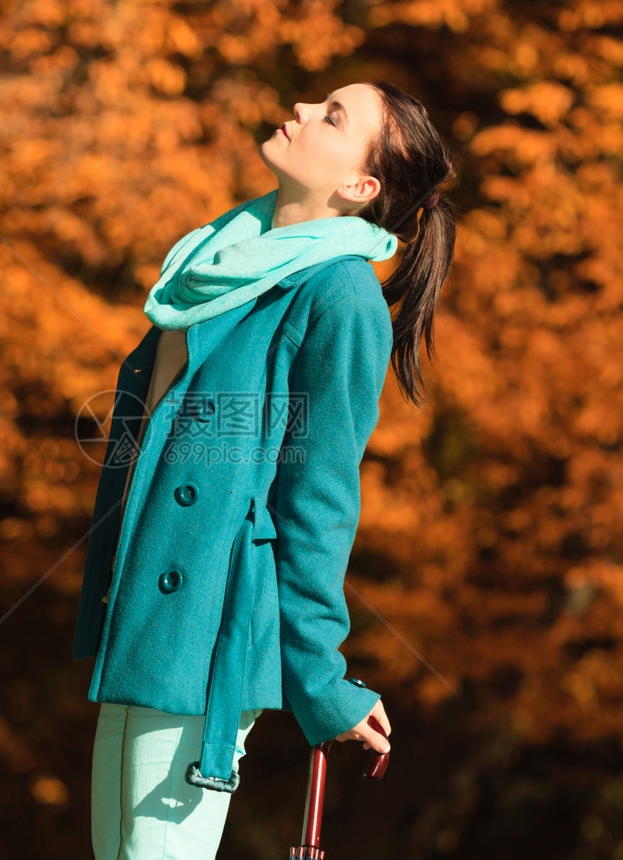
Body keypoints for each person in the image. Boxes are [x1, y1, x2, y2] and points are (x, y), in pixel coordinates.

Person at [73, 80, 456, 859]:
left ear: (360, 186)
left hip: (206, 629)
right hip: (147, 613)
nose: (306, 110)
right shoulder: (222, 262)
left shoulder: (341, 292)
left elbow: (318, 501)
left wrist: (319, 672)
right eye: (319, 100)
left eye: (334, 116)